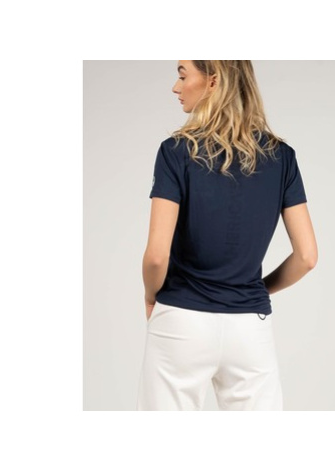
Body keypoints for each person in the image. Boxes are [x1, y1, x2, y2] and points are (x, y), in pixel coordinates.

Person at [136, 60, 318, 411]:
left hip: (182, 320)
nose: (176, 87)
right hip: (249, 329)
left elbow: (157, 255)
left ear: (213, 81)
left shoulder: (175, 152)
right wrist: (254, 289)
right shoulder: (282, 157)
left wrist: (150, 296)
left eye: (183, 75)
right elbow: (308, 256)